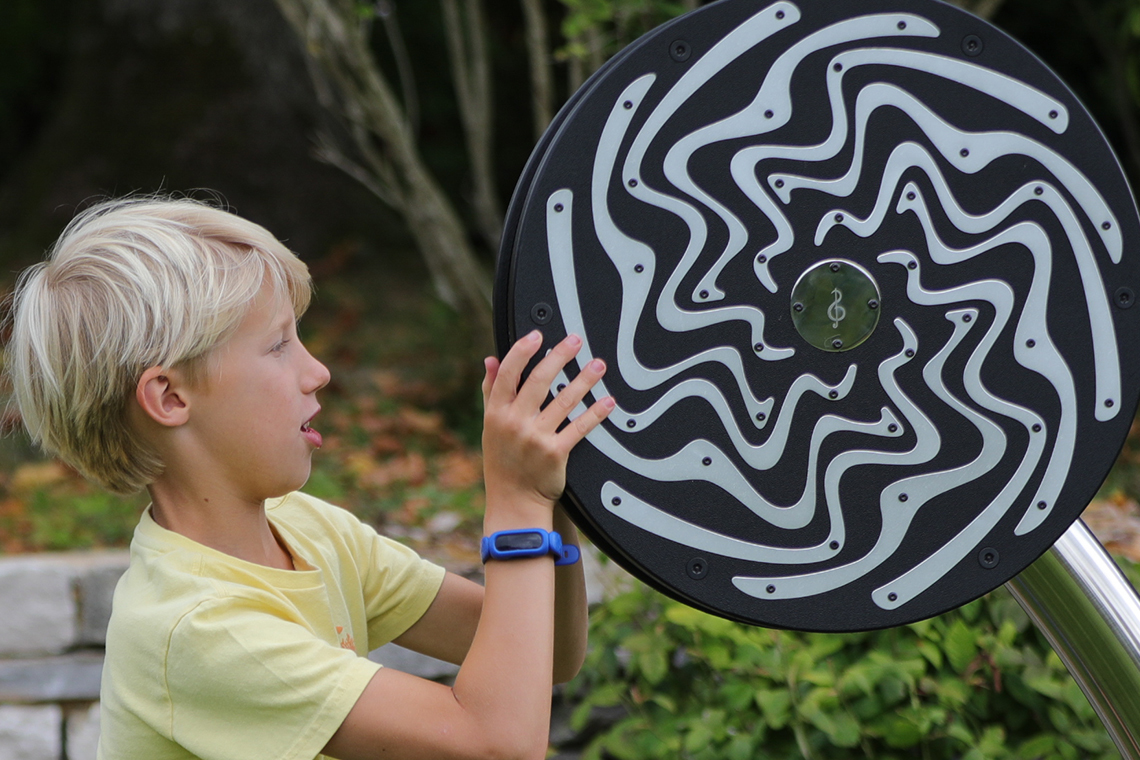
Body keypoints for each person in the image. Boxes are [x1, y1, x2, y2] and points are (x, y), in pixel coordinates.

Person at [3, 196, 614, 760]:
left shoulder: (307, 531)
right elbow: (497, 742)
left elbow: (550, 652)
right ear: (168, 397)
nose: (317, 371)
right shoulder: (195, 630)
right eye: (277, 347)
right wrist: (515, 499)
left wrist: (550, 481)